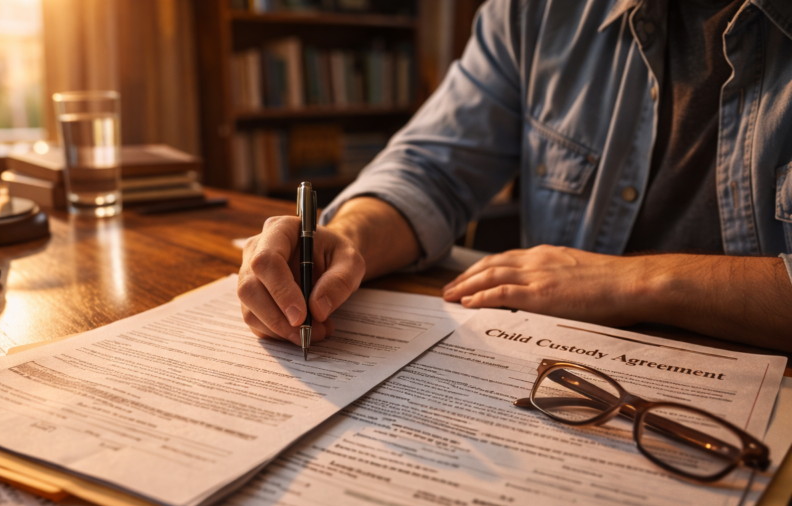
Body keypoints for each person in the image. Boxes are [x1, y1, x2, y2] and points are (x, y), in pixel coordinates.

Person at [237, 0, 792, 353]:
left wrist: (635, 281)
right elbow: (430, 169)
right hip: (551, 373)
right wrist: (347, 239)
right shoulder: (534, 12)